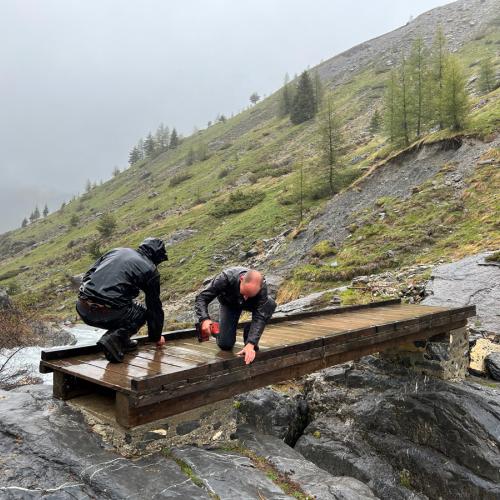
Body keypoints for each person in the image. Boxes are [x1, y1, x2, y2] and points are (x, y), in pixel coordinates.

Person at [76, 237, 167, 363]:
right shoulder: (150, 270)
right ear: (157, 257)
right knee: (141, 313)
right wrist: (156, 337)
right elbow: (154, 307)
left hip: (82, 307)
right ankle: (114, 338)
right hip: (107, 312)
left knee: (128, 305)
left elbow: (88, 274)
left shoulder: (116, 251)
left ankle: (124, 342)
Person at [194, 267, 276, 364]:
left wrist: (251, 344)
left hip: (251, 305)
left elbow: (260, 316)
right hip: (230, 304)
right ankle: (215, 327)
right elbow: (202, 298)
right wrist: (204, 319)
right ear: (241, 279)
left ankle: (248, 331)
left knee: (269, 304)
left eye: (250, 295)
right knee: (225, 344)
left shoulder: (262, 287)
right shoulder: (225, 278)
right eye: (245, 293)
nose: (245, 297)